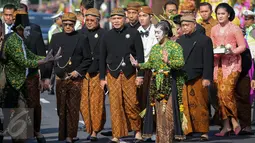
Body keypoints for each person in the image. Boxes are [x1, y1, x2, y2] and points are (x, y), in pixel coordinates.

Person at [2, 13, 60, 143]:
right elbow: (24, 61)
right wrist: (42, 62)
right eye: (26, 29)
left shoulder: (20, 40)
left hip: (19, 84)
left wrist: (47, 58)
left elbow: (31, 55)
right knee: (13, 115)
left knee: (20, 118)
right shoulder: (12, 41)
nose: (29, 32)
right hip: (12, 84)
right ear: (19, 28)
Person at [131, 19, 184, 143]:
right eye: (155, 32)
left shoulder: (175, 46)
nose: (156, 35)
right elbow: (150, 63)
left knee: (168, 111)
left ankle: (168, 139)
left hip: (169, 81)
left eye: (158, 32)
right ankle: (160, 139)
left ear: (165, 33)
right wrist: (138, 65)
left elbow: (181, 63)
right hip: (156, 82)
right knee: (159, 112)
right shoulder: (155, 48)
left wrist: (168, 62)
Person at [99, 8, 144, 143]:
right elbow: (102, 58)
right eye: (114, 19)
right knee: (115, 105)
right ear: (111, 20)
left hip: (129, 74)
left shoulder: (134, 33)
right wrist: (102, 78)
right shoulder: (106, 35)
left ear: (124, 19)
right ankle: (116, 134)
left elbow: (140, 56)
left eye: (119, 18)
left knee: (132, 103)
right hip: (112, 74)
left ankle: (137, 131)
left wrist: (140, 75)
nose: (116, 21)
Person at [48, 12, 92, 143]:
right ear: (62, 24)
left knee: (73, 109)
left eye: (70, 24)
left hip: (75, 80)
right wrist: (45, 78)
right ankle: (63, 134)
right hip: (60, 78)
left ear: (75, 24)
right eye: (65, 24)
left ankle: (70, 136)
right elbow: (49, 58)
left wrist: (78, 71)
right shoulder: (55, 38)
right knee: (61, 109)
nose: (68, 26)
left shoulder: (82, 38)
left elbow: (88, 59)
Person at [13, 10, 50, 143]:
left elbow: (41, 55)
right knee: (16, 106)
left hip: (32, 77)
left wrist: (45, 77)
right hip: (15, 78)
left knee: (33, 105)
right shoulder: (8, 37)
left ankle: (36, 131)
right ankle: (18, 136)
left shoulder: (34, 35)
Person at [211, 3, 246, 136]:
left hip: (232, 64)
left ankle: (235, 121)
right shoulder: (214, 29)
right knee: (219, 95)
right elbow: (212, 46)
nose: (220, 16)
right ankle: (226, 126)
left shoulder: (235, 29)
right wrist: (215, 51)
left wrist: (232, 51)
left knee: (227, 92)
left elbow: (242, 46)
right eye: (218, 14)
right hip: (217, 64)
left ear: (229, 15)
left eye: (222, 14)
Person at [177, 14, 213, 141]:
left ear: (194, 25)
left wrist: (207, 77)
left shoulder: (204, 40)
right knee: (185, 105)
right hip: (183, 77)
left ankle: (204, 131)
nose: (185, 28)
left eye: (187, 25)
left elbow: (208, 61)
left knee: (201, 104)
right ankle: (187, 130)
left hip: (198, 76)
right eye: (183, 25)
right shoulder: (179, 41)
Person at [79, 8, 106, 142]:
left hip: (98, 72)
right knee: (84, 103)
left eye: (92, 20)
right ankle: (89, 128)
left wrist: (104, 75)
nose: (89, 23)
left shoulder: (104, 34)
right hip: (82, 73)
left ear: (98, 20)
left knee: (97, 103)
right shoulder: (79, 33)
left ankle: (95, 130)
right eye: (87, 20)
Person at [136, 6, 158, 141]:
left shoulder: (157, 31)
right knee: (141, 100)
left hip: (154, 69)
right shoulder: (134, 32)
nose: (141, 18)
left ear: (151, 17)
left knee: (154, 100)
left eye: (144, 15)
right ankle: (143, 130)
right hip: (139, 69)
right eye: (140, 15)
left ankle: (155, 130)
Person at [48, 11, 63, 95]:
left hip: (60, 51)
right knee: (53, 70)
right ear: (57, 19)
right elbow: (52, 41)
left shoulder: (60, 27)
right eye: (61, 18)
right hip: (55, 52)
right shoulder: (54, 28)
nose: (62, 20)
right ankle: (51, 87)